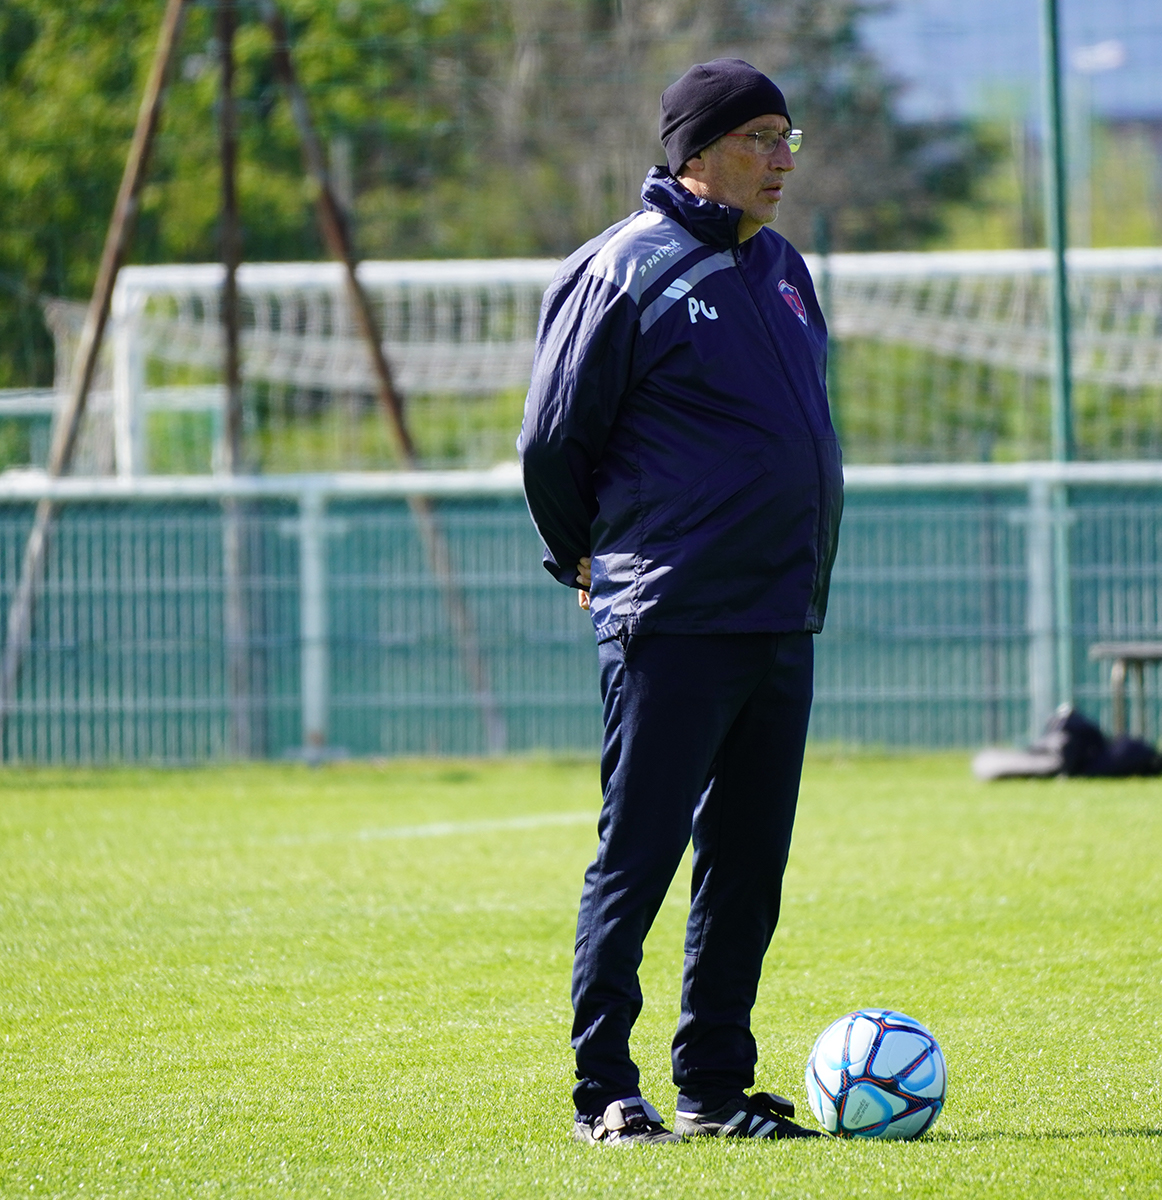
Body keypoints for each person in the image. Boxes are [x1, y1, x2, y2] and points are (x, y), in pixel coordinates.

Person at [517, 58, 844, 1146]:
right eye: (759, 138)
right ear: (694, 153)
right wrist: (587, 562)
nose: (782, 158)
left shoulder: (787, 269)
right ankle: (603, 1087)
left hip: (777, 613)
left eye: (788, 136)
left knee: (748, 866)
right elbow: (553, 441)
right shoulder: (623, 267)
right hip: (670, 614)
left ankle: (713, 1084)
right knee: (640, 853)